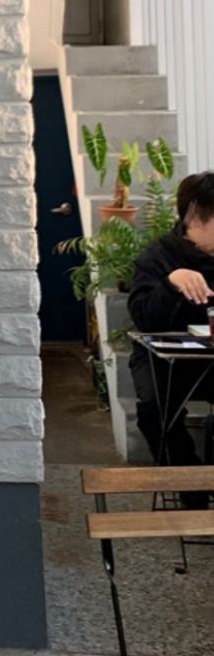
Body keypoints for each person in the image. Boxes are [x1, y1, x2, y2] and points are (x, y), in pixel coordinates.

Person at [127, 171, 214, 505]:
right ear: (195, 215)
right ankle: (191, 489)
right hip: (162, 358)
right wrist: (171, 284)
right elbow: (144, 319)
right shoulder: (158, 257)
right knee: (154, 411)